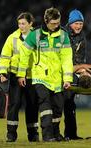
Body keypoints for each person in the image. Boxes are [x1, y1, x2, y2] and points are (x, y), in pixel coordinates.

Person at [17, 7, 73, 142]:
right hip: (40, 77)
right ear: (46, 21)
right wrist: (21, 74)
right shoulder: (35, 34)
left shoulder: (63, 35)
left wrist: (67, 79)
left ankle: (55, 133)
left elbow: (67, 59)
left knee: (58, 108)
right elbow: (24, 54)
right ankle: (47, 135)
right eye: (53, 23)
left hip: (57, 78)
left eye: (58, 22)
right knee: (45, 105)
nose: (56, 25)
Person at [0, 12, 39, 142]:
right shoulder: (12, 37)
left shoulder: (37, 37)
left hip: (32, 76)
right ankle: (11, 135)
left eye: (23, 23)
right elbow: (5, 56)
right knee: (14, 105)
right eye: (19, 23)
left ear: (30, 24)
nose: (21, 26)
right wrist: (2, 72)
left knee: (32, 106)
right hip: (16, 76)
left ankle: (33, 135)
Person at [63, 9, 91, 140]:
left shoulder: (81, 37)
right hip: (60, 73)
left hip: (72, 72)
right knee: (58, 105)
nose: (79, 26)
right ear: (70, 23)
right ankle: (53, 134)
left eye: (81, 24)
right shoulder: (62, 35)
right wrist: (81, 68)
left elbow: (80, 59)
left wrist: (82, 70)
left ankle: (71, 135)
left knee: (70, 105)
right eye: (76, 23)